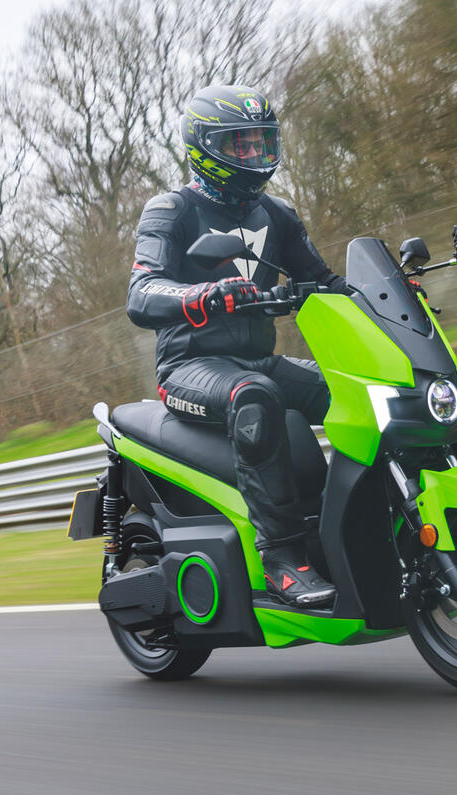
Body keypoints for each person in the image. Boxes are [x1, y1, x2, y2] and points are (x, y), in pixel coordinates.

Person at [126, 85, 347, 607]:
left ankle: (364, 522)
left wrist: (391, 294)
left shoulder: (278, 215)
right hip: (190, 367)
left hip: (258, 358)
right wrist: (205, 294)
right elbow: (141, 293)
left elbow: (325, 283)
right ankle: (283, 557)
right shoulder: (171, 210)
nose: (254, 156)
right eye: (240, 144)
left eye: (260, 143)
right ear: (205, 147)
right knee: (256, 394)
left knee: (352, 388)